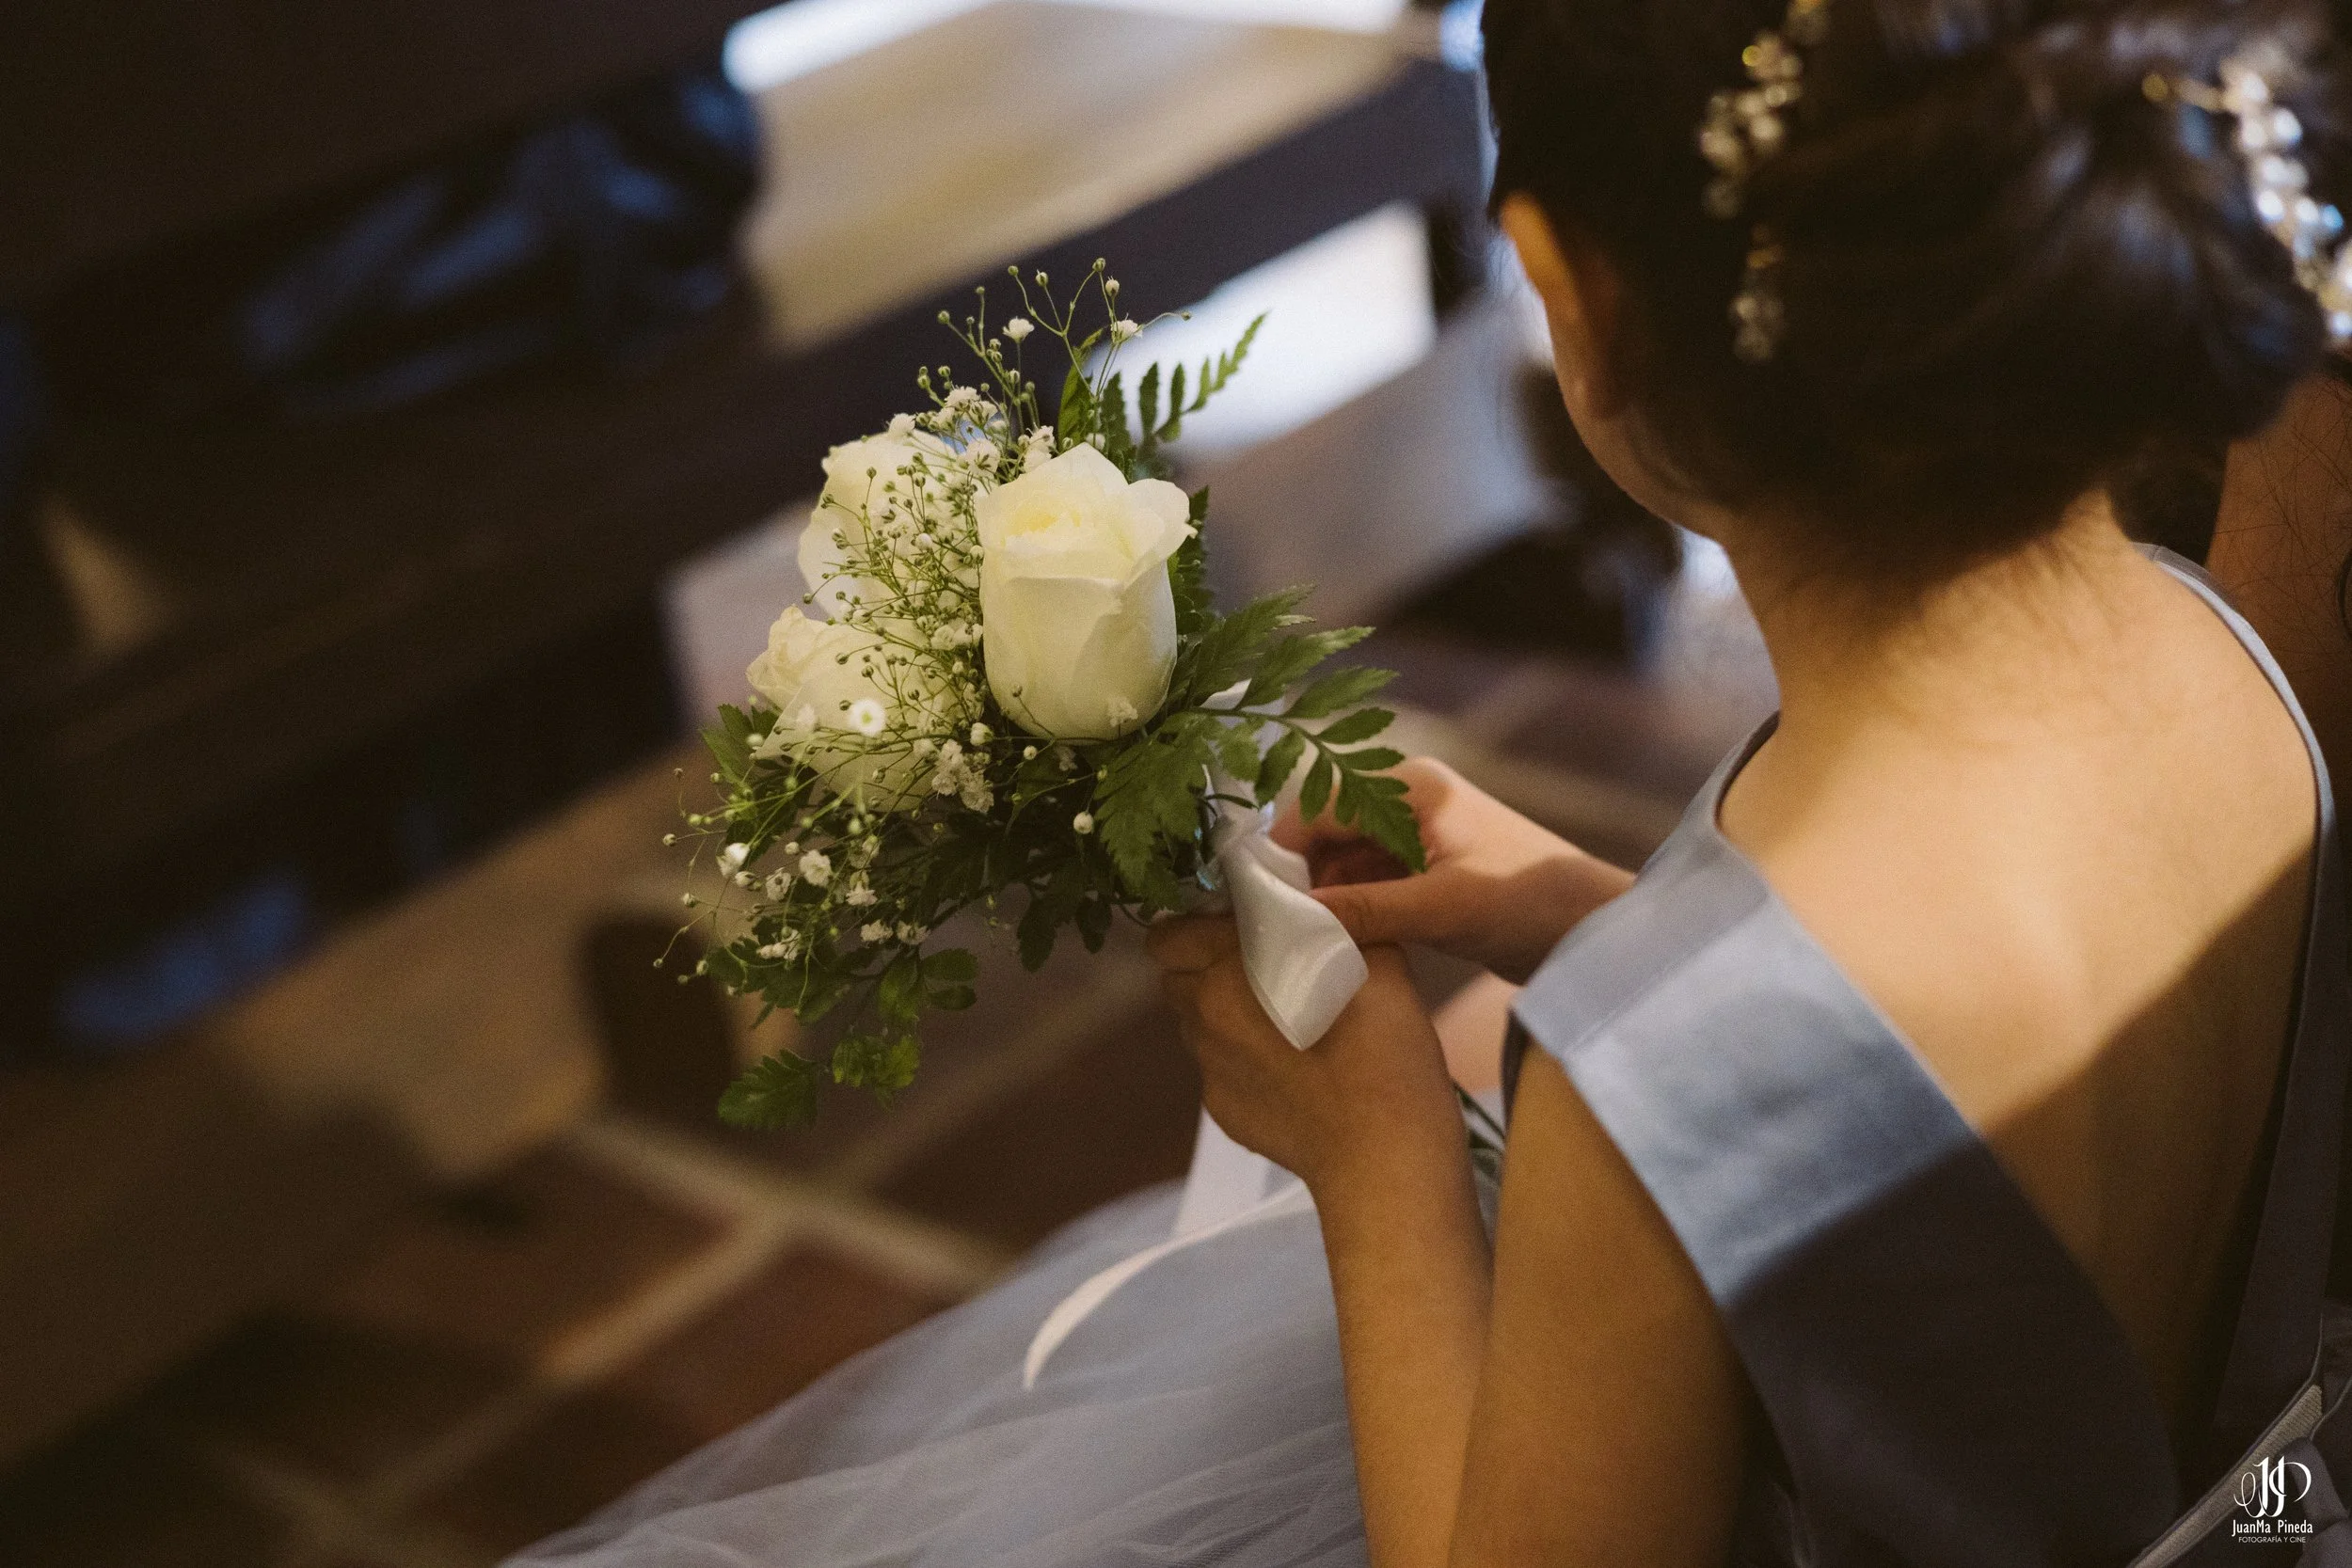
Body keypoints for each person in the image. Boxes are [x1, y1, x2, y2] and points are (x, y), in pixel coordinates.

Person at [514, 0, 2350, 1561]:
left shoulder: (1656, 1068)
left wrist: (1374, 1151)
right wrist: (1585, 919)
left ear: (1574, 296)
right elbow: (1921, 1117)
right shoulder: (2232, 666)